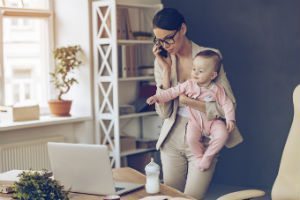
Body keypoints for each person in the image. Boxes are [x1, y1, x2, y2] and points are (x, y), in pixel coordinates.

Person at [152, 8, 243, 199]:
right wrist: (166, 71)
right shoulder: (162, 61)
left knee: (191, 198)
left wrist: (191, 103)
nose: (165, 45)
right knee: (170, 197)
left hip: (204, 138)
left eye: (168, 38)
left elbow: (228, 105)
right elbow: (164, 113)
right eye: (159, 40)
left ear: (183, 29)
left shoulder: (210, 56)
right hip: (172, 139)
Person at [147, 50, 235, 171]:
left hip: (213, 122)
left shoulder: (216, 89)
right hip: (194, 123)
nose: (195, 73)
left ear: (213, 75)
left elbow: (227, 103)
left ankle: (208, 156)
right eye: (194, 69)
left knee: (223, 134)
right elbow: (172, 92)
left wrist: (231, 119)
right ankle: (199, 157)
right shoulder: (188, 85)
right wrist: (157, 97)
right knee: (191, 138)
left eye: (200, 71)